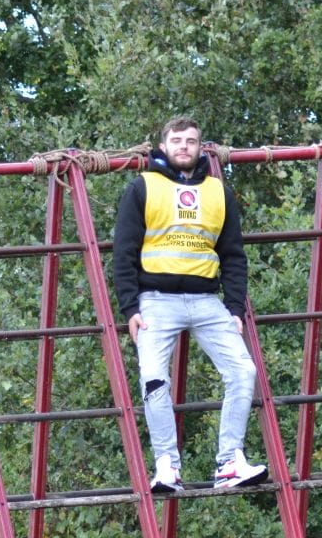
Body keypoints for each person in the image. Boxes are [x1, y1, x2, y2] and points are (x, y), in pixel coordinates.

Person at [112, 116, 267, 492]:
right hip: (155, 301)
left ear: (201, 148)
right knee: (153, 379)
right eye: (177, 140)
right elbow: (124, 251)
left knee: (243, 371)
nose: (184, 146)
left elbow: (233, 255)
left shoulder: (218, 192)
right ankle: (167, 466)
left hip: (207, 302)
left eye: (191, 141)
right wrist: (130, 308)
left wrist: (234, 308)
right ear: (163, 146)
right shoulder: (142, 187)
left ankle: (230, 462)